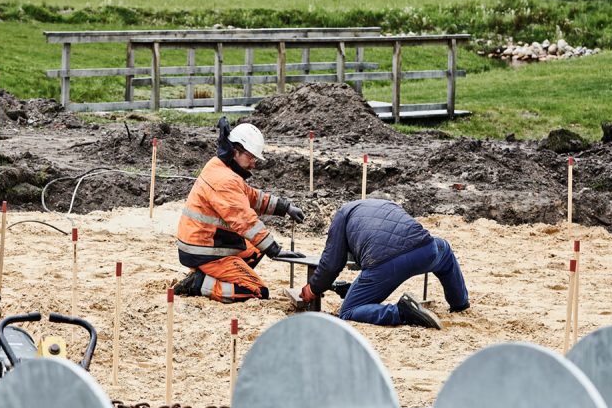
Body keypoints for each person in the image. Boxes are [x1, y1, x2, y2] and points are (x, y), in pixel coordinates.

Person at [174, 119, 305, 303]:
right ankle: (199, 283)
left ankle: (203, 274)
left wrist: (284, 207)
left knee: (255, 250)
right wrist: (274, 250)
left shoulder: (219, 166)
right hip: (204, 250)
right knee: (257, 291)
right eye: (251, 157)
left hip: (202, 242)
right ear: (236, 151)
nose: (253, 164)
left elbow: (251, 196)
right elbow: (245, 220)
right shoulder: (225, 180)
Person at [285, 198, 469, 329]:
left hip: (387, 263)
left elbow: (332, 264)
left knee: (349, 311)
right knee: (445, 253)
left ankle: (402, 312)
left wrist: (313, 288)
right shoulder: (383, 204)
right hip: (425, 248)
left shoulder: (341, 216)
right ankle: (460, 303)